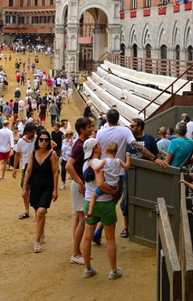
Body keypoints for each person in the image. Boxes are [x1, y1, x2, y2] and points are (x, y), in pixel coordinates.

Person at [81, 137, 123, 280]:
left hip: (89, 202)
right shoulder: (100, 163)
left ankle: (88, 269)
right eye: (98, 145)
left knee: (87, 237)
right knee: (110, 238)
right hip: (105, 203)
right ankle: (113, 270)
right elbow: (101, 184)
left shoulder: (86, 164)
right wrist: (114, 191)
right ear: (95, 149)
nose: (100, 147)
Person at [22, 129, 60, 253]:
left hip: (47, 187)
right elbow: (28, 171)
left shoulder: (52, 154)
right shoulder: (34, 154)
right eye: (41, 140)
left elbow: (55, 172)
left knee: (41, 211)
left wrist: (55, 189)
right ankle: (41, 233)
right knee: (38, 213)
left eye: (46, 140)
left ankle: (36, 241)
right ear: (38, 141)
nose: (43, 142)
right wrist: (24, 187)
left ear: (49, 142)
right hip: (35, 187)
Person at [66, 117, 96, 265]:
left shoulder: (81, 144)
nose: (91, 129)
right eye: (89, 127)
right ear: (82, 129)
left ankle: (77, 250)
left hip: (79, 184)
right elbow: (69, 166)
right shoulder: (79, 146)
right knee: (83, 219)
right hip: (80, 185)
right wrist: (80, 182)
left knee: (79, 218)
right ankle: (76, 252)